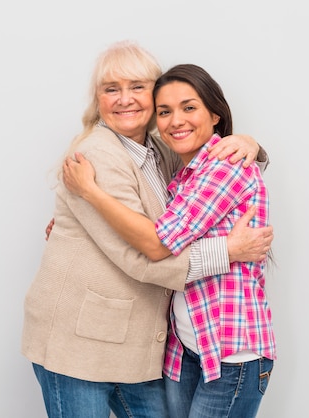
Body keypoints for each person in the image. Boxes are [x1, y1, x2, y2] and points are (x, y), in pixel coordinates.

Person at [21, 41, 273, 418]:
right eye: (111, 89)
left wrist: (249, 144)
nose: (125, 99)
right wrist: (227, 251)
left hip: (136, 344)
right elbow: (145, 255)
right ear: (98, 99)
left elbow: (210, 167)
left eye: (138, 87)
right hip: (79, 343)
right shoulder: (99, 154)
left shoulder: (160, 149)